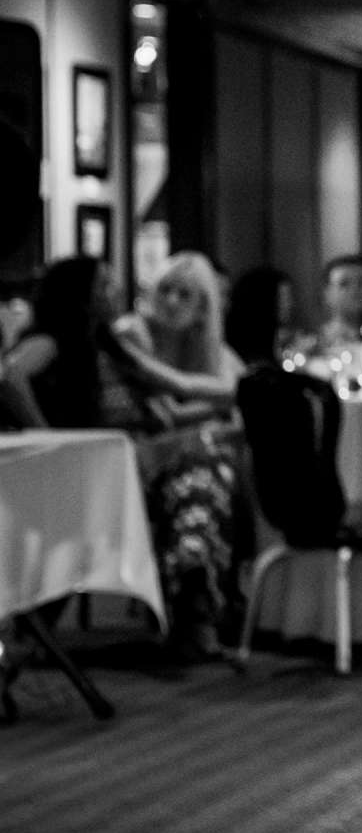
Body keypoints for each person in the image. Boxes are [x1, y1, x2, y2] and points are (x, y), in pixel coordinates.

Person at [2, 257, 241, 655]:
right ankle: (195, 611)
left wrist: (239, 392)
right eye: (105, 287)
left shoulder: (109, 343)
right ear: (83, 297)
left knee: (200, 475)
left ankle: (194, 604)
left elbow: (172, 386)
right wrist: (45, 432)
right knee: (200, 474)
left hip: (126, 462)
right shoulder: (54, 340)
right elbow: (12, 375)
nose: (115, 294)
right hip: (94, 470)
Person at [115, 251, 240, 422]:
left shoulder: (200, 339)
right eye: (164, 289)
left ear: (202, 309)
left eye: (184, 294)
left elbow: (240, 385)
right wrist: (225, 401)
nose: (171, 301)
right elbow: (172, 414)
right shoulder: (133, 332)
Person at [224, 266, 295, 371]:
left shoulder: (276, 340)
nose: (291, 304)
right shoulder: (251, 355)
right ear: (266, 301)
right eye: (285, 298)